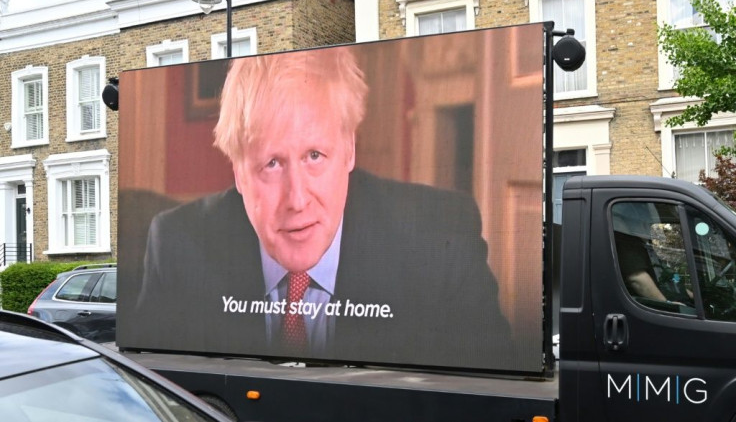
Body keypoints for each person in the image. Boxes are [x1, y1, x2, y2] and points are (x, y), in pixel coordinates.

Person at [134, 47, 512, 370]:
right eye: (271, 164)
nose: (297, 200)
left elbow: (489, 387)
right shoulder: (177, 245)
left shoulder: (440, 237)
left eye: (314, 156)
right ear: (237, 172)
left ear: (348, 149)